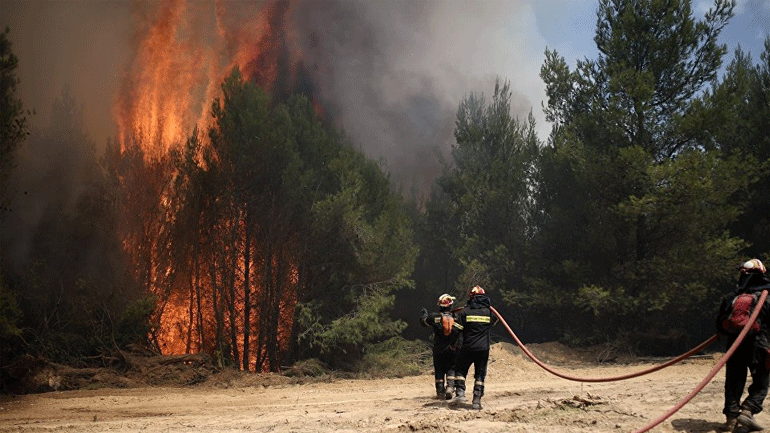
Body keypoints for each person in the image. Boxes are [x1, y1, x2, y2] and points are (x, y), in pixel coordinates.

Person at [716, 259, 770, 432]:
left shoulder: (731, 298)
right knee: (761, 382)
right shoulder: (767, 297)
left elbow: (720, 325)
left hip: (735, 346)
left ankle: (731, 419)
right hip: (759, 346)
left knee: (733, 381)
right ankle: (748, 411)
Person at [451, 285, 497, 410]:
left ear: (471, 297)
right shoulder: (489, 312)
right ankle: (476, 400)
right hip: (483, 349)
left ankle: (460, 393)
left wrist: (452, 343)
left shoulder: (465, 312)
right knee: (480, 374)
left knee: (460, 370)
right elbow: (495, 320)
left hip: (468, 347)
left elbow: (456, 330)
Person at [420, 293, 461, 400]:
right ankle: (450, 387)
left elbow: (423, 322)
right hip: (452, 347)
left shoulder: (435, 317)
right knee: (451, 367)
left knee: (439, 369)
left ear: (440, 306)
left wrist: (425, 314)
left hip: (439, 347)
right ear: (450, 306)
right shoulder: (456, 317)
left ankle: (439, 391)